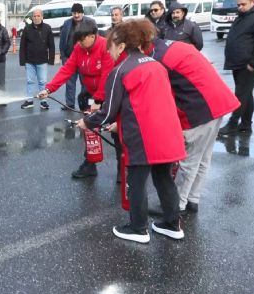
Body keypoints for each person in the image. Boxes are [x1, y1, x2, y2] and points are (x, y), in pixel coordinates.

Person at [78, 19, 186, 244]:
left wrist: (87, 122)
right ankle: (172, 224)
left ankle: (138, 229)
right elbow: (147, 101)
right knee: (163, 178)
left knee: (136, 181)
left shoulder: (120, 70)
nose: (110, 52)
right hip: (168, 132)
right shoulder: (156, 64)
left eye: (110, 47)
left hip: (143, 136)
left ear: (120, 44)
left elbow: (107, 112)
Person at [150, 38, 240, 212]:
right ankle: (192, 198)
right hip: (217, 102)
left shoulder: (158, 59)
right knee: (203, 157)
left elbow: (159, 95)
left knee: (189, 161)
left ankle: (176, 204)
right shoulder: (175, 46)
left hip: (200, 108)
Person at [38, 22, 114, 178]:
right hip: (90, 94)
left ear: (93, 36)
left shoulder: (105, 46)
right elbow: (67, 69)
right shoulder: (79, 49)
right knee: (89, 128)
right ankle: (90, 164)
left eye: (82, 40)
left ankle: (123, 169)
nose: (79, 43)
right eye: (77, 40)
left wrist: (99, 100)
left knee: (117, 132)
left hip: (110, 93)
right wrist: (49, 88)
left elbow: (107, 76)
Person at [218, 0, 254, 135]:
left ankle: (233, 124)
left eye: (243, 4)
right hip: (238, 62)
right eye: (238, 5)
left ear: (253, 2)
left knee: (241, 94)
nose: (240, 7)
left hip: (248, 64)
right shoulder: (243, 16)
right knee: (246, 94)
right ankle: (246, 125)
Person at [59, 3, 96, 110]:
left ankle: (86, 105)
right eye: (74, 13)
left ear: (82, 13)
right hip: (70, 58)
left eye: (79, 13)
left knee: (86, 83)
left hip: (85, 59)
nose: (76, 15)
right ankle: (69, 104)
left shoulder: (90, 22)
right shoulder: (67, 23)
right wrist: (63, 56)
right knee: (70, 83)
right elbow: (62, 41)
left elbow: (96, 40)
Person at [19, 9, 55, 109]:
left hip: (42, 61)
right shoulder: (27, 29)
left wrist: (51, 59)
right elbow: (22, 46)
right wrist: (22, 61)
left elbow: (51, 45)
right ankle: (29, 101)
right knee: (30, 81)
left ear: (42, 17)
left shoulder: (47, 28)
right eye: (34, 16)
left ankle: (43, 101)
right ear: (32, 17)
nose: (36, 17)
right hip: (29, 61)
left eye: (38, 16)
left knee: (42, 82)